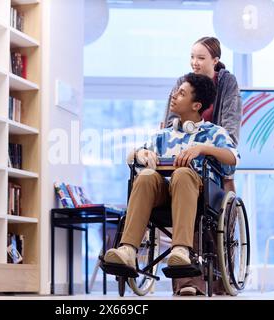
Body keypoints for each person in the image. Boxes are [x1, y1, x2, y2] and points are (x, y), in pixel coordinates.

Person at [103, 73, 240, 295]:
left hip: (198, 197)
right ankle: (128, 250)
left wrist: (202, 149)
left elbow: (233, 159)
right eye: (176, 92)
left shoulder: (214, 133)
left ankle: (181, 251)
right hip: (163, 196)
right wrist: (142, 153)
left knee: (183, 174)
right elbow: (132, 157)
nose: (174, 96)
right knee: (146, 176)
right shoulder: (162, 136)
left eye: (181, 93)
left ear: (196, 105)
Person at [163, 36, 242, 194]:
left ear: (215, 60)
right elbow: (170, 123)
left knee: (227, 175)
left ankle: (229, 217)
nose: (194, 62)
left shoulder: (227, 83)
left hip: (213, 144)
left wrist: (211, 145)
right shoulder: (183, 82)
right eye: (192, 57)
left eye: (200, 58)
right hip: (184, 145)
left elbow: (230, 131)